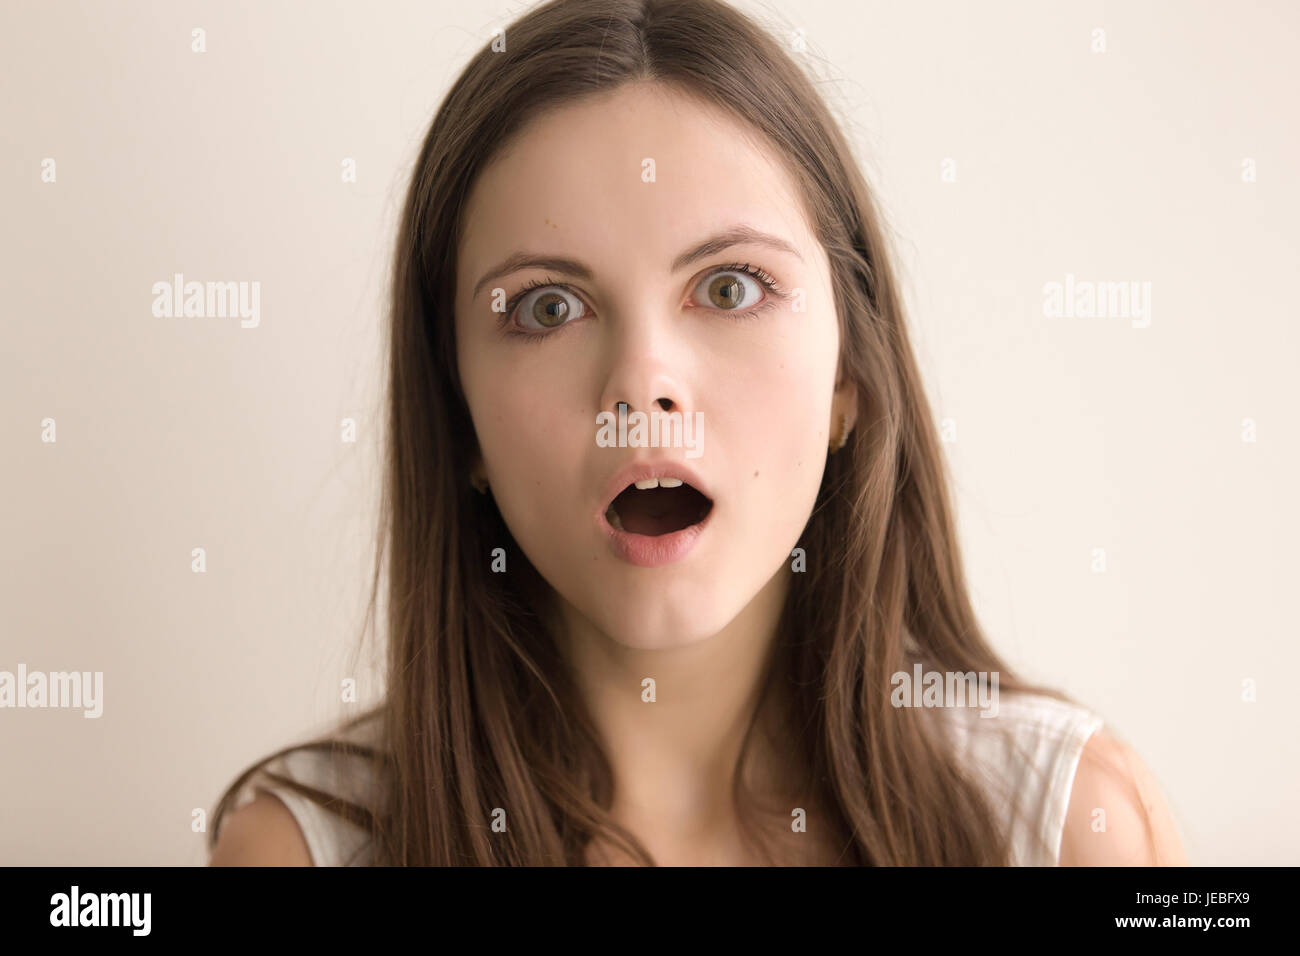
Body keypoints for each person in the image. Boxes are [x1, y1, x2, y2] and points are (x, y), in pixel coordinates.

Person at [209, 0, 1185, 866]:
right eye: (548, 308)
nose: (642, 387)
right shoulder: (297, 851)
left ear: (848, 372)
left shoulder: (1069, 827)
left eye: (729, 288)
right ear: (454, 408)